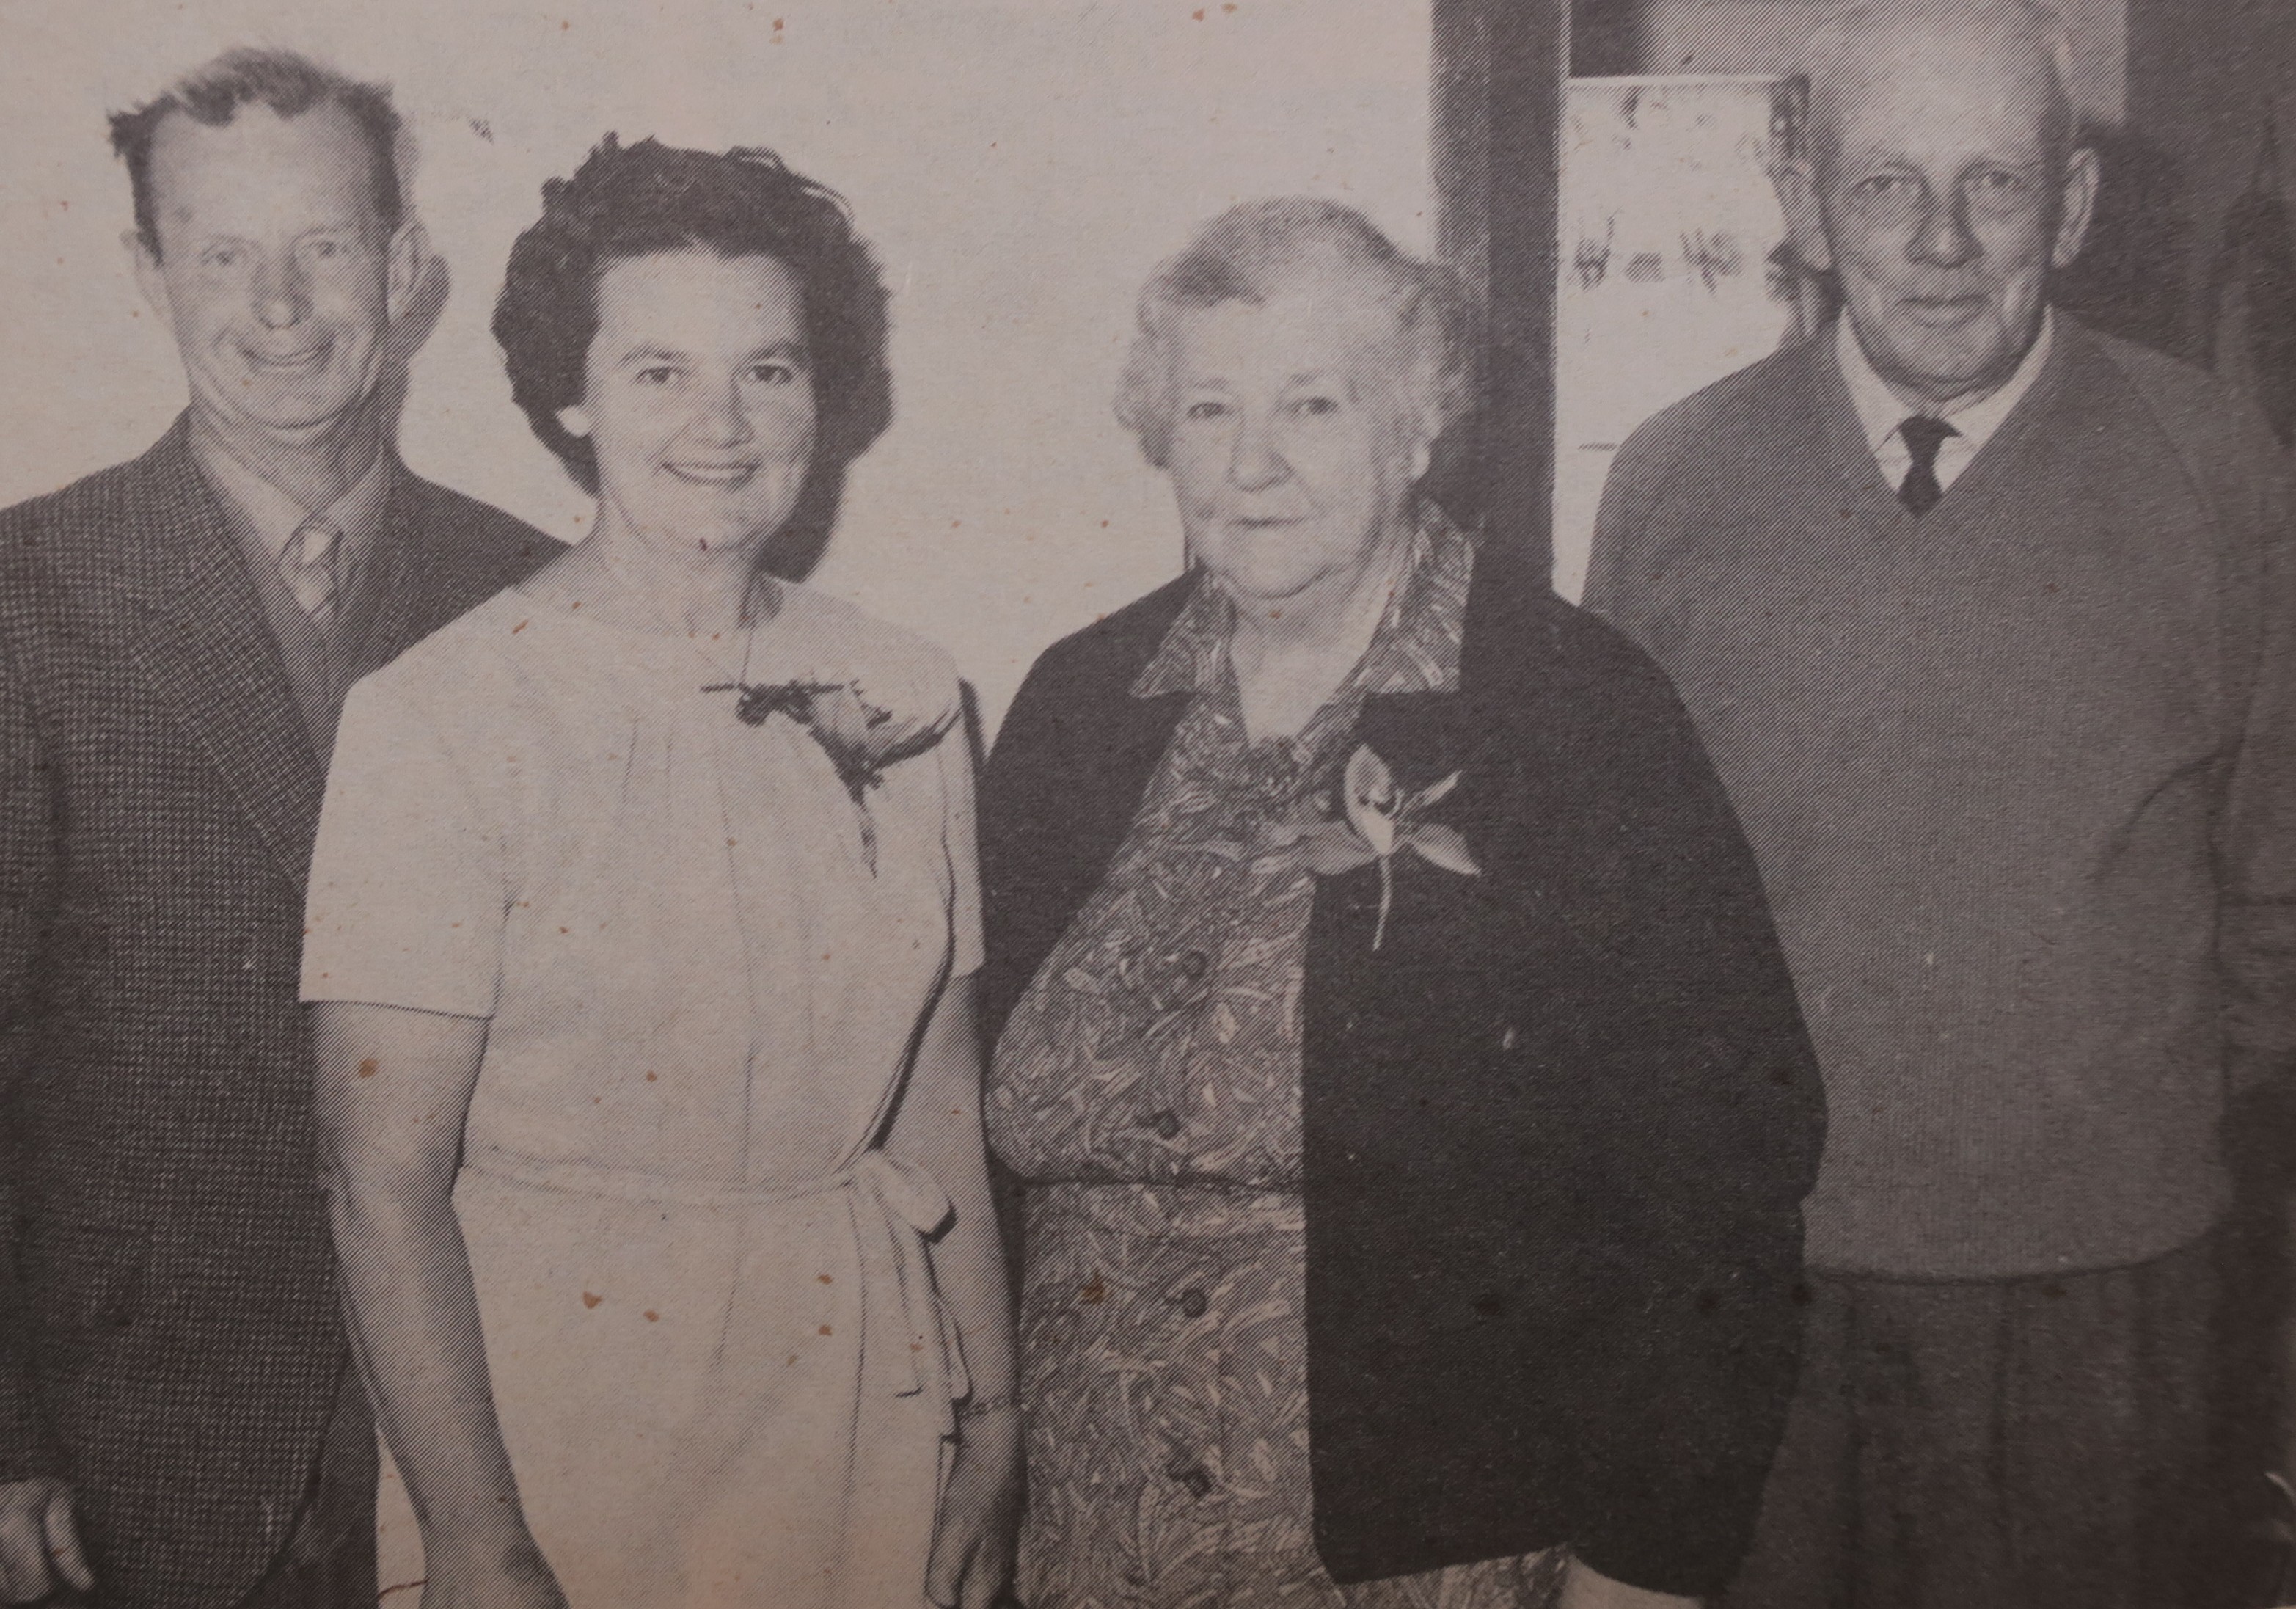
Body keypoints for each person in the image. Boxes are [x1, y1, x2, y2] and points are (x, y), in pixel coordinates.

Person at [980, 198, 1826, 1609]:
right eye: (1207, 408)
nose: (1249, 463)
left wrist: (1649, 1559)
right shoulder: (1078, 707)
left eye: (1310, 404)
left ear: (1416, 424)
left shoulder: (1569, 707)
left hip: (1434, 1552)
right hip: (1095, 1534)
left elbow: (1721, 1168)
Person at [1584, 4, 2296, 1605]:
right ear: (1800, 199)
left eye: (1993, 185)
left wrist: (2128, 1142)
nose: (1940, 243)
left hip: (2101, 1296)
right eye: (1884, 186)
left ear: (2074, 205)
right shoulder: (1673, 479)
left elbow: (2274, 889)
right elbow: (1616, 912)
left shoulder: (2215, 470)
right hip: (1754, 1282)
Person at [301, 135, 1018, 1609]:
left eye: (769, 368)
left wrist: (994, 1424)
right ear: (569, 395)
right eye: (659, 373)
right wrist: (475, 1540)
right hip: (554, 1414)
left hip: (857, 1392)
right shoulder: (442, 716)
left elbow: (937, 1088)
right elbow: (380, 1180)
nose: (725, 424)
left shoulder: (905, 688)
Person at [0, 48, 548, 1609]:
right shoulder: (27, 595)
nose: (283, 306)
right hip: (132, 1454)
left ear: (404, 266)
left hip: (486, 1437)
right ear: (145, 272)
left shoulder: (528, 593)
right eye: (222, 253)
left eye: (322, 246)